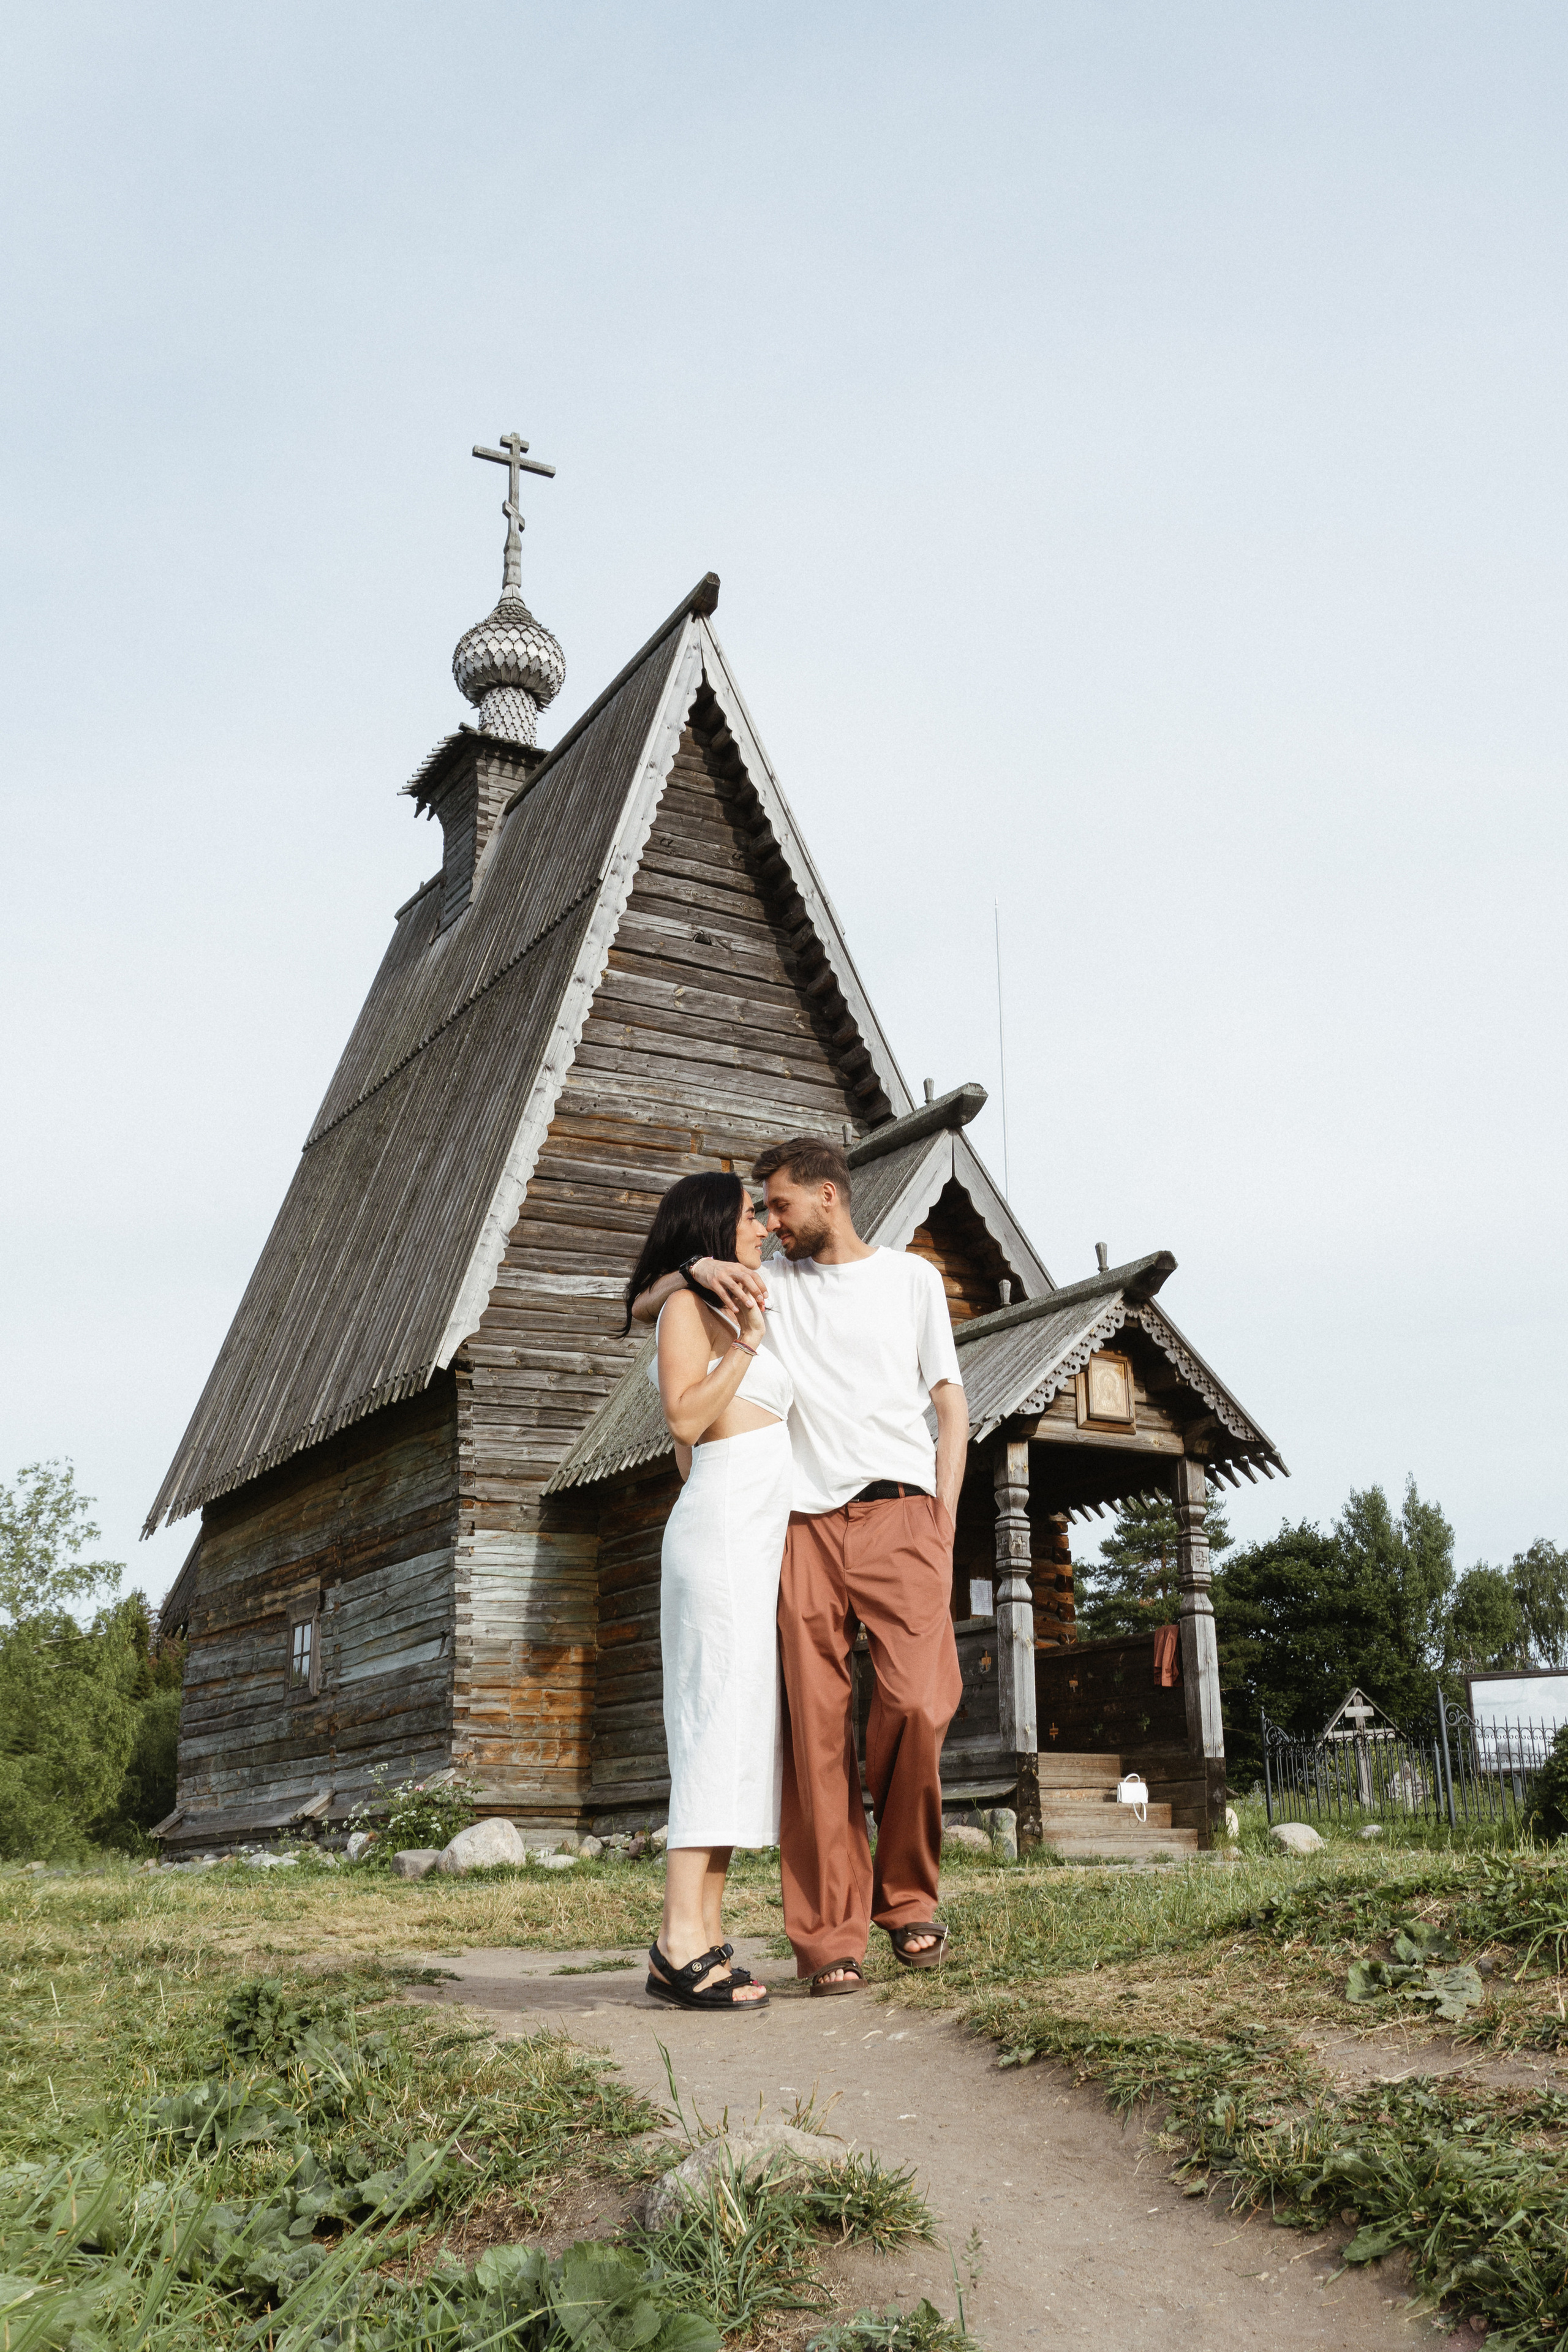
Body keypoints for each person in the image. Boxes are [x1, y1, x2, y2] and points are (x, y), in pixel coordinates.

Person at [633, 1135, 968, 1997]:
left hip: (904, 1512)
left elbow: (951, 1404)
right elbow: (649, 1300)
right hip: (802, 1526)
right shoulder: (763, 1283)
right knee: (814, 1735)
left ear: (829, 1196)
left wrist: (945, 1516)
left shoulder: (913, 1280)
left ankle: (908, 1898)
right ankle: (828, 1940)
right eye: (761, 1212)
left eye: (781, 1205)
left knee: (919, 1704)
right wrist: (697, 1274)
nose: (771, 1222)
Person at [624, 1170, 793, 2011]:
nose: (762, 1224)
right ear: (715, 1225)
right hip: (720, 1537)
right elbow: (686, 1422)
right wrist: (748, 1344)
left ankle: (707, 1932)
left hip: (751, 1546)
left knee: (736, 1736)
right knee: (709, 1730)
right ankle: (674, 1939)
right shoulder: (691, 1314)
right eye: (751, 1213)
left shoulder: (728, 1308)